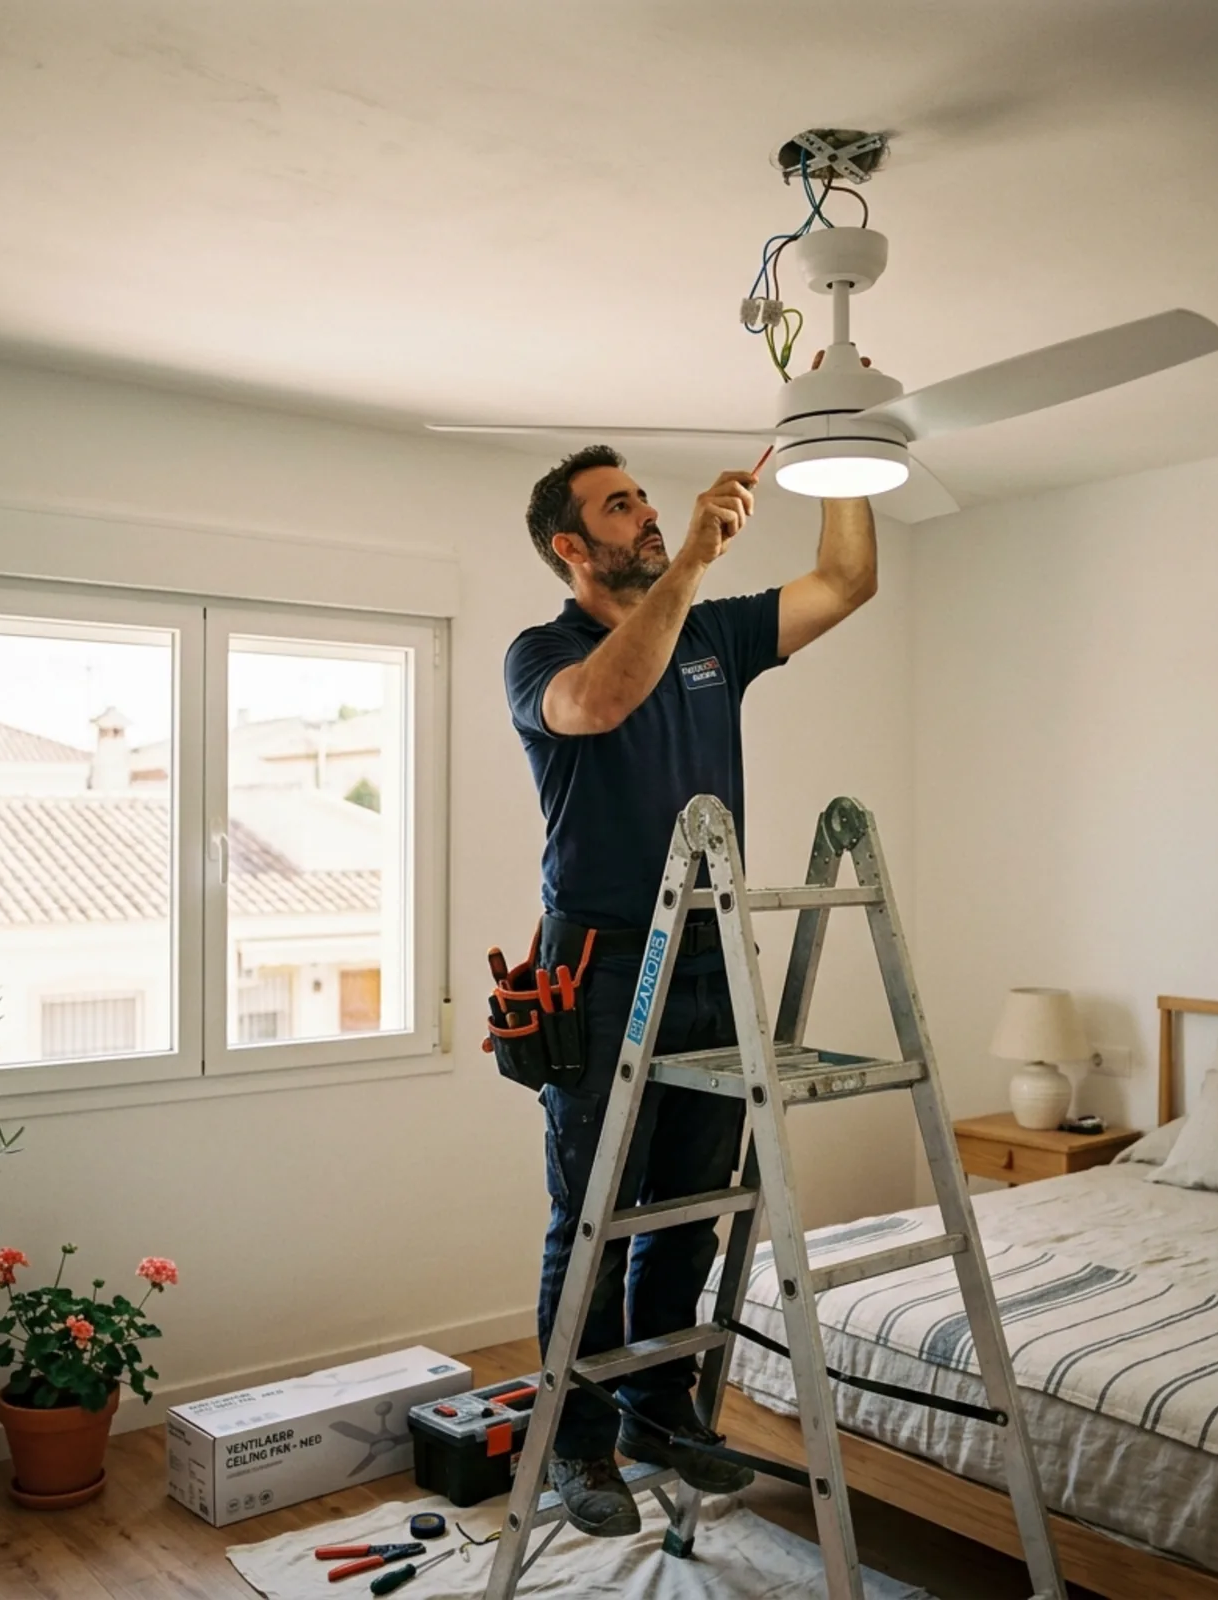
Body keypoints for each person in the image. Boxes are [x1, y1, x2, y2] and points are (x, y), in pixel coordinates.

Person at [503, 417, 878, 1537]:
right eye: (617, 506)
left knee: (691, 1203)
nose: (647, 512)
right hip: (603, 971)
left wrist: (839, 454)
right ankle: (574, 1442)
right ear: (570, 547)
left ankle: (655, 1410)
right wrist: (698, 561)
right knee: (596, 1214)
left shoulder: (715, 633)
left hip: (716, 958)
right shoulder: (542, 653)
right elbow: (602, 702)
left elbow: (847, 579)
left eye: (641, 499)